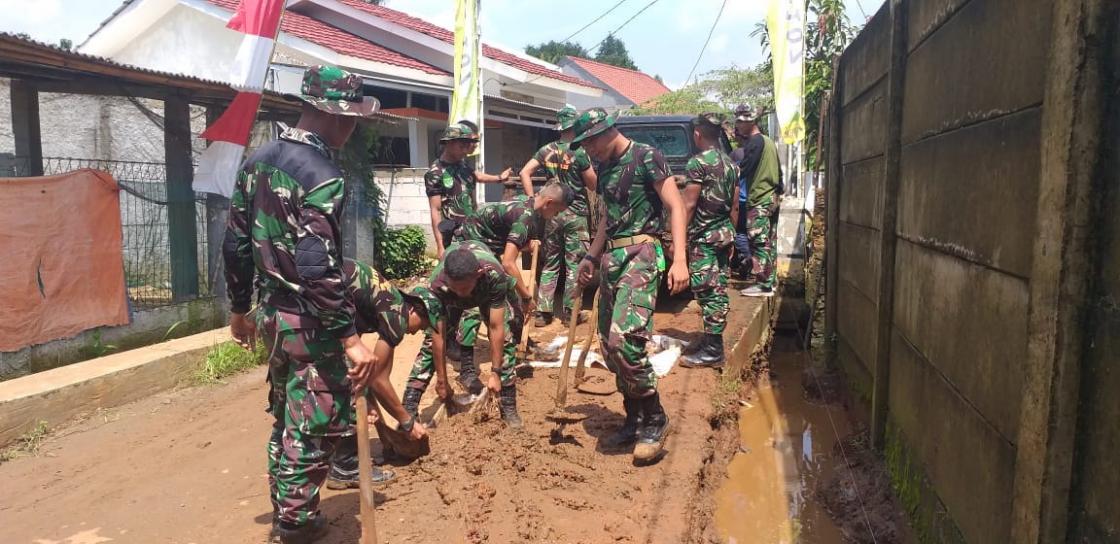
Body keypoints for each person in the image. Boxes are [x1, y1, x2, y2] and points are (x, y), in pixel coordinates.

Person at [223, 65, 382, 544]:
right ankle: (293, 528)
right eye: (350, 116)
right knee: (314, 425)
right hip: (311, 322)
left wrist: (238, 308)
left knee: (288, 417)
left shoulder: (258, 161)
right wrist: (351, 339)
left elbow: (235, 244)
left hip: (272, 315)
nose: (354, 126)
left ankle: (293, 513)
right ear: (327, 113)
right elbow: (317, 267)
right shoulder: (323, 176)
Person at [571, 107, 690, 464]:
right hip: (612, 256)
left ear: (607, 131)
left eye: (589, 141)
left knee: (627, 341)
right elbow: (609, 217)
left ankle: (655, 417)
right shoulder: (605, 167)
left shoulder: (646, 156)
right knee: (608, 345)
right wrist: (591, 256)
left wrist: (680, 258)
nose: (587, 150)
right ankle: (634, 416)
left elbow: (676, 205)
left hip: (641, 251)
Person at [325, 260, 442, 489]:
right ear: (415, 309)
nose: (417, 331)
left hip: (319, 306)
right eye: (424, 324)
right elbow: (379, 379)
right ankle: (345, 467)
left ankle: (325, 456)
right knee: (343, 383)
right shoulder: (396, 313)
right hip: (320, 305)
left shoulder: (380, 300)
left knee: (353, 375)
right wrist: (406, 422)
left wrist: (382, 429)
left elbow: (369, 375)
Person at [448, 183, 575, 389]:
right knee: (474, 305)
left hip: (488, 244)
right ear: (549, 203)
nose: (555, 216)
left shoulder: (530, 206)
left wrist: (529, 244)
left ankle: (520, 342)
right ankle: (467, 370)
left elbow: (507, 237)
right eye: (557, 212)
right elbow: (508, 262)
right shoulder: (525, 218)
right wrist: (527, 296)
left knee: (510, 295)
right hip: (470, 245)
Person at [402, 242, 526, 428]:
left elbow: (495, 327)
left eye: (464, 288)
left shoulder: (493, 275)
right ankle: (409, 407)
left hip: (484, 293)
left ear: (477, 275)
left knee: (506, 341)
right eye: (456, 288)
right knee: (429, 345)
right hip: (446, 298)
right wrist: (442, 382)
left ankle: (508, 407)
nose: (460, 294)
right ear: (447, 279)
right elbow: (438, 336)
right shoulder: (437, 285)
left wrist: (495, 373)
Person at [518, 106, 598, 327]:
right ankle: (571, 312)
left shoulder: (546, 150)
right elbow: (593, 183)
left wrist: (532, 199)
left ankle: (543, 312)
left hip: (551, 213)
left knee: (551, 263)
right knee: (574, 264)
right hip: (576, 213)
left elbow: (524, 172)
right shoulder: (579, 152)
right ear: (575, 126)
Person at [678, 114, 739, 369]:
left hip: (704, 237)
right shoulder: (731, 164)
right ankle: (710, 339)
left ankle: (714, 350)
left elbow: (689, 204)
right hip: (723, 234)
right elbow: (735, 206)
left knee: (707, 290)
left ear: (697, 135)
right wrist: (732, 236)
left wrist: (678, 238)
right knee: (718, 286)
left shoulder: (698, 163)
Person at [425, 122, 512, 259]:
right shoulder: (436, 173)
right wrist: (440, 246)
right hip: (454, 236)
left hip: (474, 229)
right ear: (449, 143)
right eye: (462, 146)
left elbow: (476, 175)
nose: (466, 151)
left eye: (467, 146)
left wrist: (499, 178)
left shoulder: (462, 164)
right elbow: (435, 210)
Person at [730, 104, 782, 296]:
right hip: (772, 197)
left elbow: (744, 169)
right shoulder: (768, 142)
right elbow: (779, 172)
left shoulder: (755, 142)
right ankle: (771, 279)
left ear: (750, 122)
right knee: (770, 241)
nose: (738, 126)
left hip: (759, 198)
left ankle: (763, 284)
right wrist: (778, 193)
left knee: (758, 241)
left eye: (740, 122)